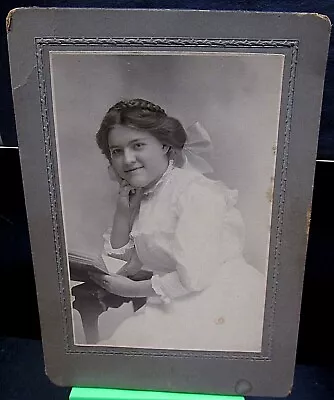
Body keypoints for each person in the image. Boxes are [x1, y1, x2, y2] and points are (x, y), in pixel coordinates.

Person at [90, 98, 265, 351]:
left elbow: (194, 277)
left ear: (164, 145)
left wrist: (135, 290)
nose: (127, 160)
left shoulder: (195, 192)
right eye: (117, 151)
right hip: (174, 298)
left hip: (219, 299)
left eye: (137, 145)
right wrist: (122, 212)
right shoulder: (142, 193)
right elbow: (118, 262)